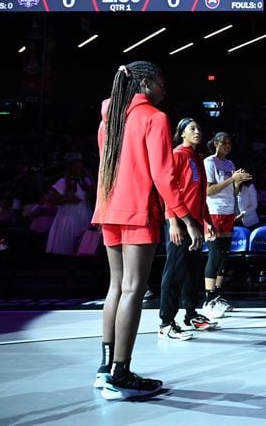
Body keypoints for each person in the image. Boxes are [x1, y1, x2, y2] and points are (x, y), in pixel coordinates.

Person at [91, 61, 204, 400]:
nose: (164, 87)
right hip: (138, 209)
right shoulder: (154, 118)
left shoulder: (109, 120)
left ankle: (105, 368)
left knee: (116, 287)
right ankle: (121, 374)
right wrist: (184, 217)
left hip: (109, 208)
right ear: (145, 83)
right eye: (160, 81)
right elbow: (163, 176)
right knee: (133, 289)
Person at [158, 117, 217, 341]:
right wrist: (172, 222)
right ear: (181, 133)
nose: (197, 131)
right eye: (192, 128)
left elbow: (199, 195)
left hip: (195, 222)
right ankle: (165, 322)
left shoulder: (197, 157)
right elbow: (168, 190)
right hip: (180, 222)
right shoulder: (177, 155)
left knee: (192, 271)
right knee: (174, 270)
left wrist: (206, 221)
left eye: (199, 128)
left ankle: (190, 314)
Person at [203, 132, 252, 318]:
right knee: (215, 254)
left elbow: (232, 190)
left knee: (224, 255)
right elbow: (208, 190)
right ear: (215, 143)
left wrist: (238, 182)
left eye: (229, 143)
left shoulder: (229, 164)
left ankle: (217, 295)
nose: (227, 146)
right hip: (214, 211)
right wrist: (232, 179)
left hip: (228, 211)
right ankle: (208, 298)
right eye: (224, 143)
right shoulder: (210, 162)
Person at [45, 153, 95, 255]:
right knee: (65, 247)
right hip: (67, 218)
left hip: (84, 215)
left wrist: (92, 178)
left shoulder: (86, 181)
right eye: (76, 166)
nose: (79, 168)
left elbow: (94, 196)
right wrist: (67, 199)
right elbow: (51, 200)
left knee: (82, 247)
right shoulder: (63, 182)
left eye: (80, 166)